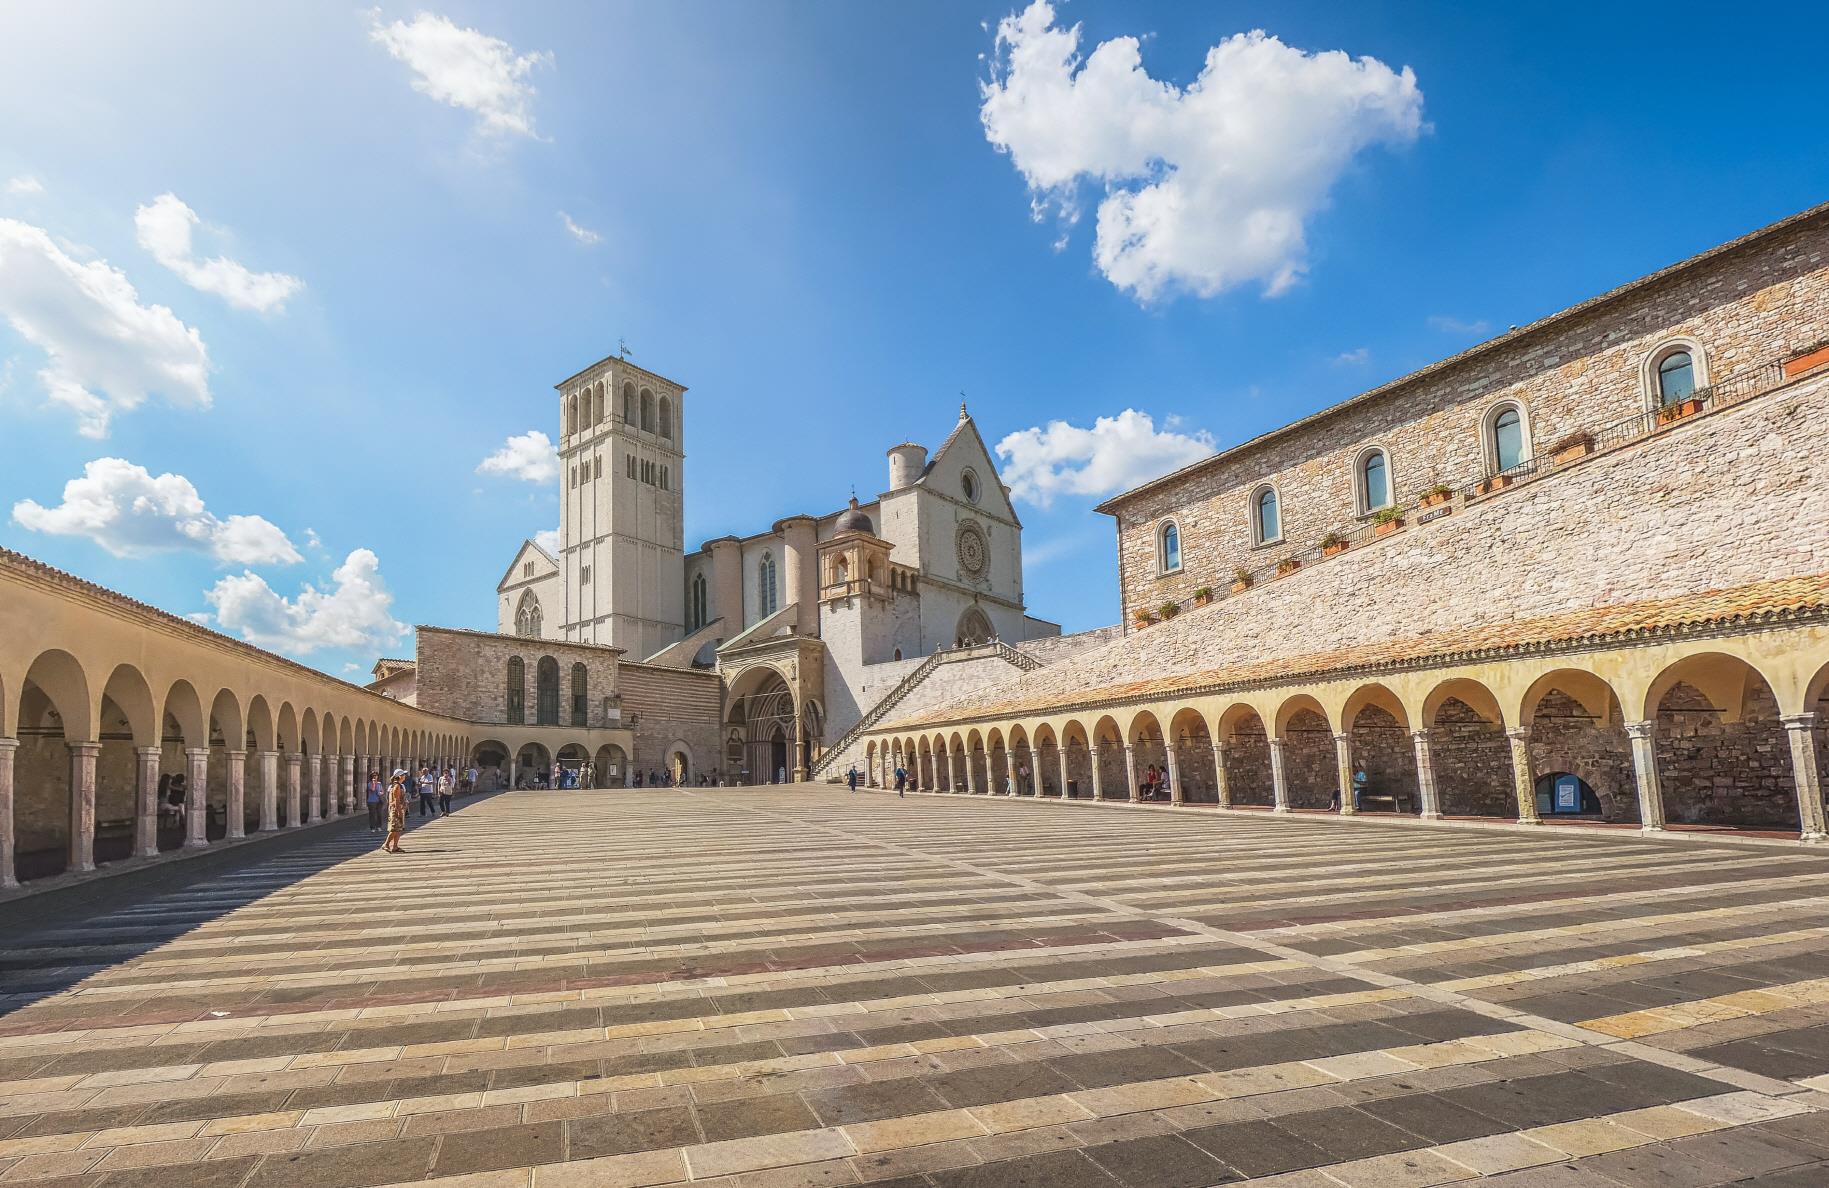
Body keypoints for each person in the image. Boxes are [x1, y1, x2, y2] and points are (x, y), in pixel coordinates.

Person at [382, 770, 408, 853]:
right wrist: (399, 812)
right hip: (396, 810)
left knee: (399, 829)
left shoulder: (398, 785)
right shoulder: (396, 786)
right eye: (403, 775)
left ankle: (395, 846)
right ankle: (386, 844)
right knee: (394, 829)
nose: (405, 776)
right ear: (400, 776)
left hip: (399, 808)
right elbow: (396, 800)